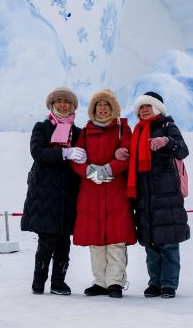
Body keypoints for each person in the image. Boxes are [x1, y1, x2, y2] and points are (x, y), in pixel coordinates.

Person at [69, 89, 135, 298]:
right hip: (91, 192)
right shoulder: (85, 131)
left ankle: (115, 282)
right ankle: (100, 282)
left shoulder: (122, 128)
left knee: (116, 239)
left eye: (107, 105)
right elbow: (76, 158)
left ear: (113, 108)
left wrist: (109, 169)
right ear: (93, 109)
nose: (103, 108)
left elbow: (128, 154)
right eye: (99, 105)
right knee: (95, 240)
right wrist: (89, 171)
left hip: (115, 191)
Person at [20, 87, 84, 295]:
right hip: (44, 195)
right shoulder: (42, 127)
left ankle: (58, 283)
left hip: (68, 194)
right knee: (46, 241)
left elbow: (84, 157)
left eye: (66, 102)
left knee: (64, 242)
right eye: (58, 101)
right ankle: (38, 282)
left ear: (72, 106)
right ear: (52, 105)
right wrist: (65, 153)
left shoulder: (78, 132)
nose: (62, 105)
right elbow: (37, 153)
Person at [126, 91, 189, 299]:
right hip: (144, 197)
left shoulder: (168, 126)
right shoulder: (137, 132)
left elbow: (183, 150)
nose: (144, 110)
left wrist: (167, 141)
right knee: (151, 244)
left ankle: (168, 284)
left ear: (157, 108)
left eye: (148, 106)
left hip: (166, 196)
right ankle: (154, 282)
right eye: (141, 108)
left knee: (168, 243)